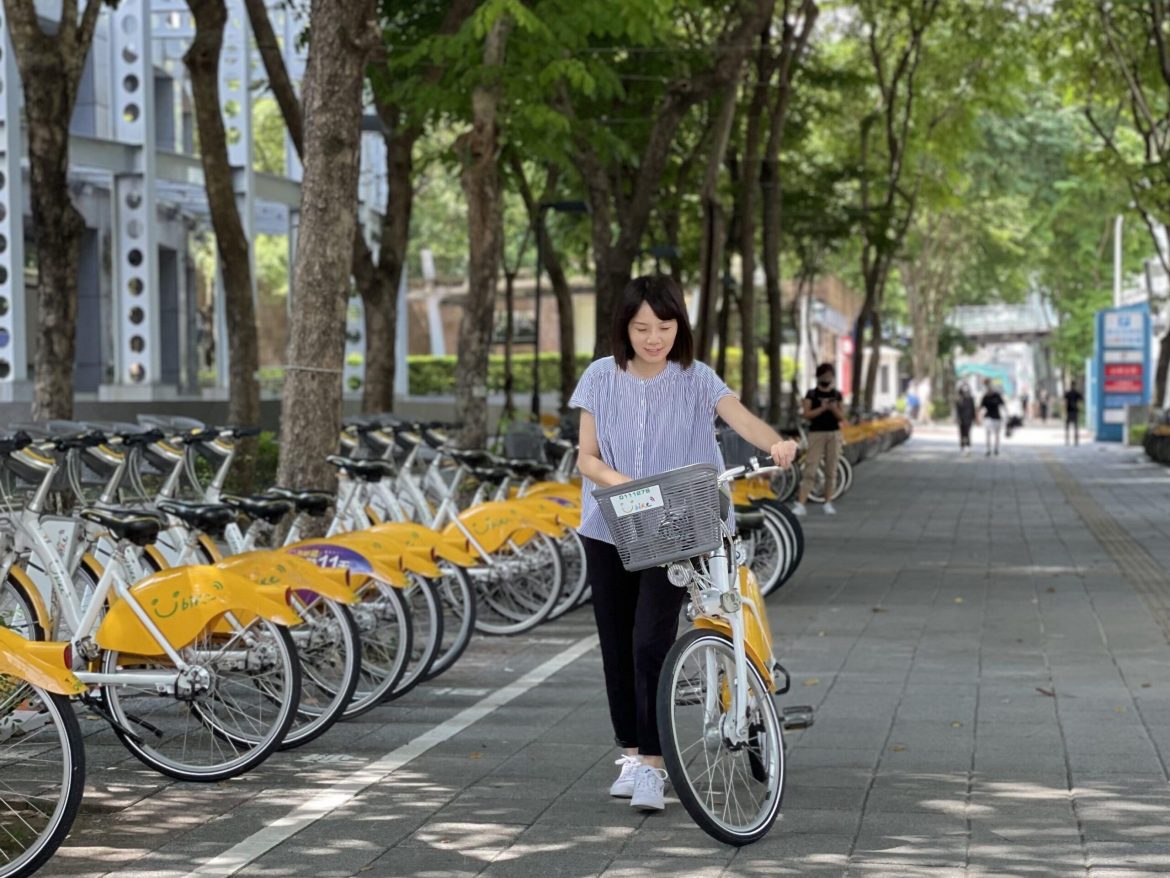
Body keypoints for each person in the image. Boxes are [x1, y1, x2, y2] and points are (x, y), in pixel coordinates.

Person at [570, 275, 798, 814]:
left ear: (680, 327)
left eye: (665, 327)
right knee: (617, 645)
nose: (654, 338)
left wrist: (778, 443)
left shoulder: (697, 378)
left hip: (677, 523)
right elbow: (586, 456)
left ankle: (654, 765)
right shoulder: (600, 377)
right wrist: (630, 487)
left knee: (652, 640)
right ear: (624, 327)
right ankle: (629, 753)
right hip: (610, 525)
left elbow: (739, 418)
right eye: (642, 327)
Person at [792, 363, 846, 517]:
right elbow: (806, 414)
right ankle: (801, 503)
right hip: (816, 433)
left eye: (829, 376)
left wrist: (833, 408)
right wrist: (822, 408)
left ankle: (828, 502)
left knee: (831, 468)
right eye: (824, 376)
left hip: (834, 433)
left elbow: (842, 416)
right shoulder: (811, 394)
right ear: (818, 377)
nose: (827, 379)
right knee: (811, 467)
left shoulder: (837, 395)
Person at [979, 379, 1006, 457]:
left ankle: (996, 448)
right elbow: (980, 407)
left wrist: (1006, 415)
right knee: (988, 433)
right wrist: (978, 417)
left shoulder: (997, 396)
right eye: (988, 387)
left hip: (997, 417)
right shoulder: (985, 396)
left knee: (997, 434)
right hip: (988, 417)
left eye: (991, 387)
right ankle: (988, 449)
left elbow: (1003, 405)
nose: (990, 388)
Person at [955, 383, 976, 455]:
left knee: (967, 433)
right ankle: (962, 446)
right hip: (961, 419)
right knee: (962, 433)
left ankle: (968, 446)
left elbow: (973, 409)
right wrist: (957, 418)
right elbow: (957, 410)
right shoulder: (959, 399)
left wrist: (974, 418)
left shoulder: (971, 399)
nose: (965, 391)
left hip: (969, 419)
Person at [1064, 381, 1084, 446]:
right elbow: (1081, 399)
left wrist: (1064, 410)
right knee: (1075, 427)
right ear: (1074, 385)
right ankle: (1075, 441)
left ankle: (1068, 441)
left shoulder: (1068, 393)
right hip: (1074, 411)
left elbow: (1065, 402)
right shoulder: (1076, 393)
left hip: (1069, 411)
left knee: (1068, 427)